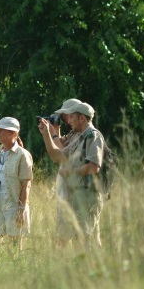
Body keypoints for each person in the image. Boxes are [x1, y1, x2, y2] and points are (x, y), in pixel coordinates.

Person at [52, 102, 105, 250]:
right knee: (74, 238)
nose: (69, 120)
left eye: (72, 117)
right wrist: (49, 134)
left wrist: (71, 172)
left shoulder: (93, 136)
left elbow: (94, 166)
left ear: (82, 118)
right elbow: (59, 155)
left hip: (88, 196)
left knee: (84, 240)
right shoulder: (78, 136)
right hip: (77, 194)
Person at [38, 99, 82, 243]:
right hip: (68, 192)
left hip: (77, 193)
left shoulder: (83, 135)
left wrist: (51, 133)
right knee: (64, 236)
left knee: (81, 238)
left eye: (64, 115)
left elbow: (60, 155)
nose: (63, 119)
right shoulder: (73, 134)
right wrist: (55, 130)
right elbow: (61, 146)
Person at [0, 117, 33, 250]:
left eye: (2, 130)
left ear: (14, 133)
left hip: (13, 201)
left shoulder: (23, 155)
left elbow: (26, 185)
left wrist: (21, 208)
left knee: (15, 240)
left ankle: (16, 266)